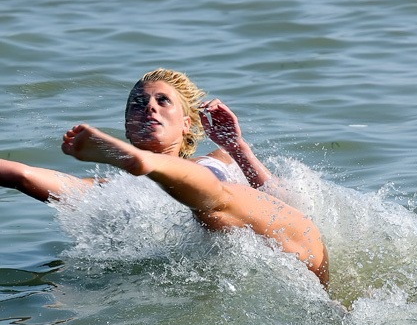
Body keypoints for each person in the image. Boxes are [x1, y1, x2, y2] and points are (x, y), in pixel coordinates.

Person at [0, 69, 329, 287]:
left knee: (216, 203)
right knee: (209, 211)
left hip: (280, 244)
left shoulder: (220, 159)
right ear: (127, 125)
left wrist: (237, 146)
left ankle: (149, 165)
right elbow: (21, 175)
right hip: (212, 269)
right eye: (138, 104)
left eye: (162, 101)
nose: (150, 108)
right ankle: (149, 166)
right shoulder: (105, 192)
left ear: (188, 123)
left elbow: (288, 203)